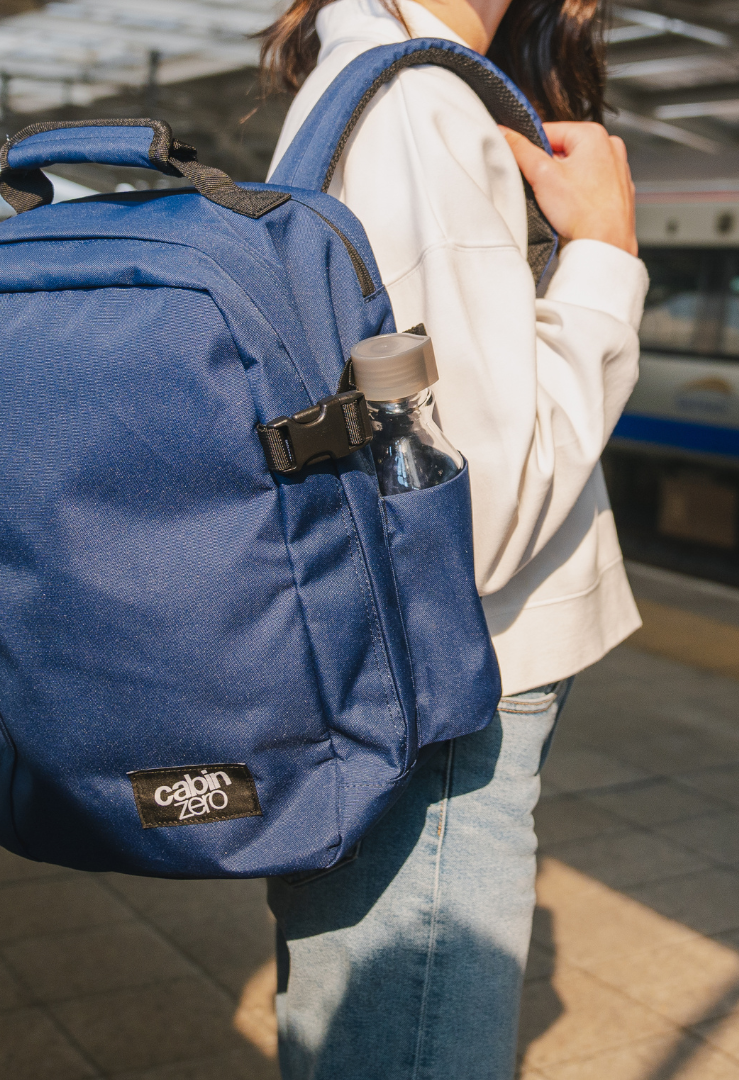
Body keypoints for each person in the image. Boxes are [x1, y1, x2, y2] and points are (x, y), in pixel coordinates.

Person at [259, 0, 647, 1077]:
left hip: (396, 679)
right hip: (449, 700)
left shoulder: (371, 87)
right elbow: (476, 512)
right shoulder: (420, 108)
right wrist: (606, 253)